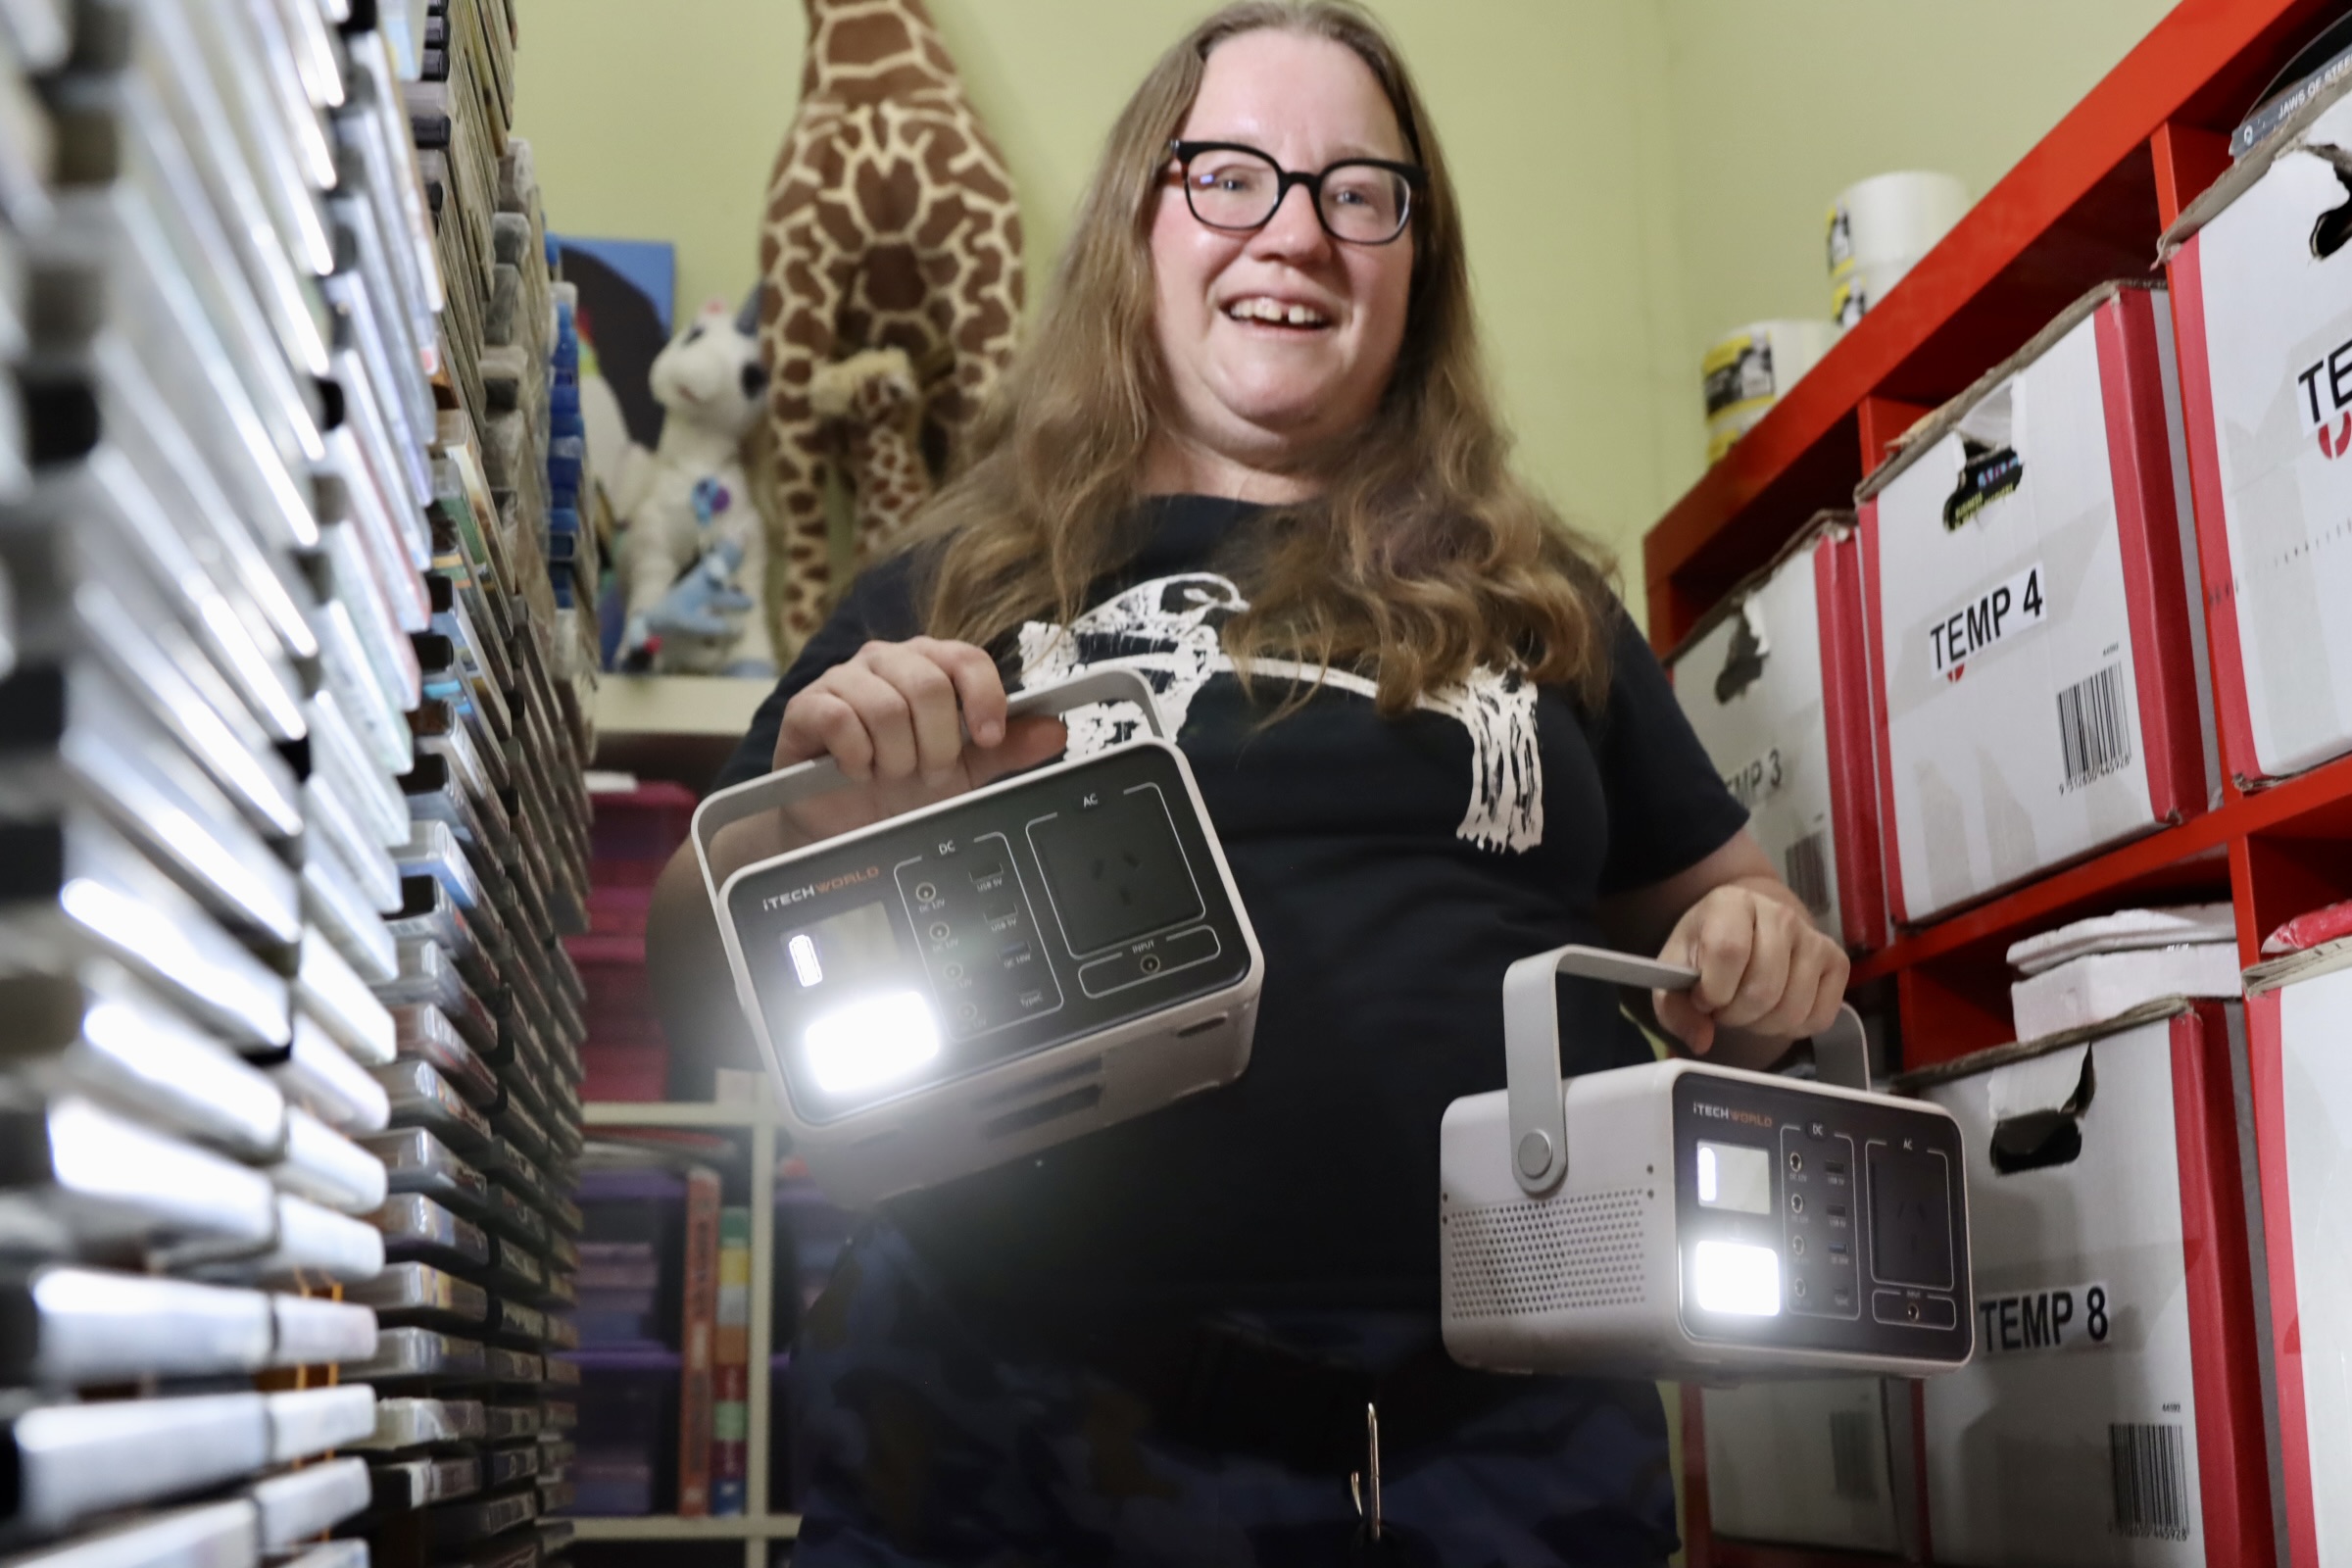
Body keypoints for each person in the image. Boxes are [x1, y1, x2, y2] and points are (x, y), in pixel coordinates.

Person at [646, 3, 1850, 1561]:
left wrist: (1762, 957)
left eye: (1360, 192)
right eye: (1229, 177)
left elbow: (1742, 925)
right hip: (1002, 1432)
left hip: (1493, 1447)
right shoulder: (955, 584)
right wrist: (817, 822)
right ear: (1139, 223)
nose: (1296, 232)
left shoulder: (1542, 597)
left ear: (1416, 264)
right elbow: (695, 993)